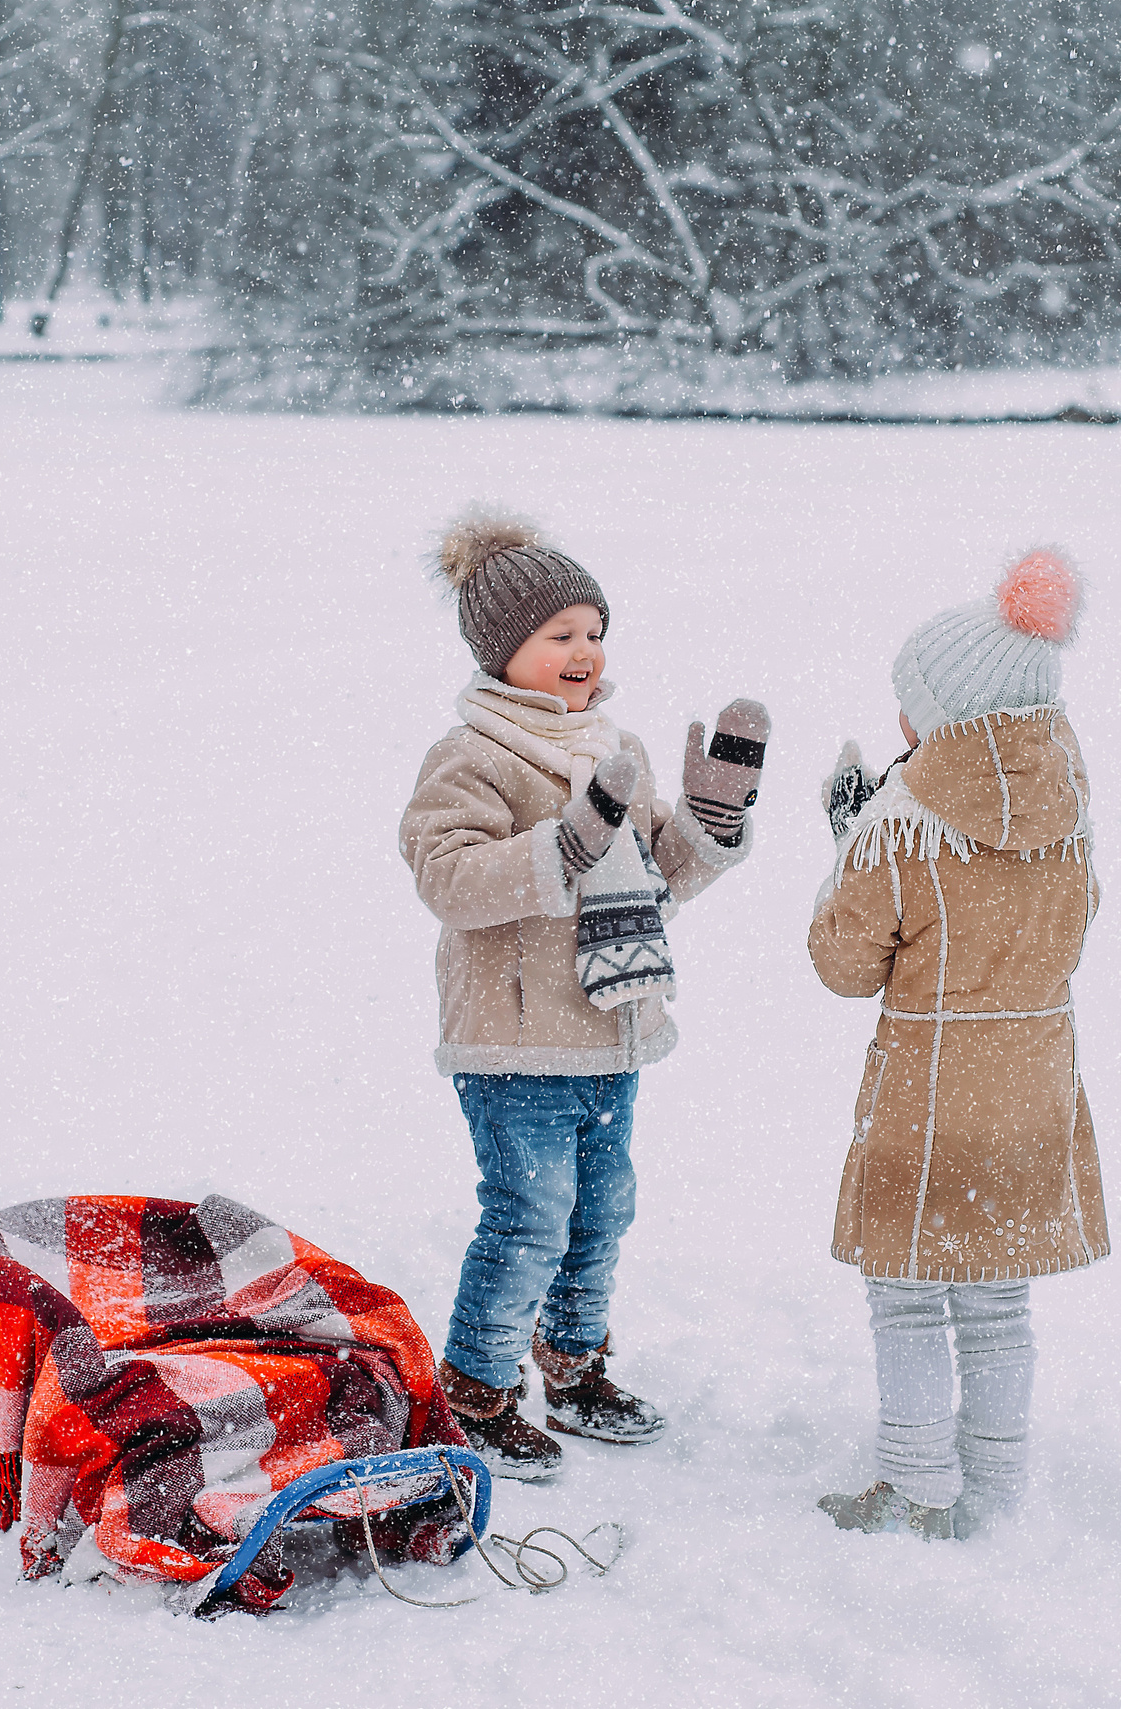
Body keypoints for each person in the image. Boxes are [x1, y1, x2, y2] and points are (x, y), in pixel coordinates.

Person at [399, 508, 768, 1479]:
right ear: (503, 648)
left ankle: (575, 1364)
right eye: (560, 634)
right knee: (528, 1214)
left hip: (610, 1031)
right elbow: (447, 876)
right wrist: (561, 844)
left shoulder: (615, 745)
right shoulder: (471, 755)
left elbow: (653, 878)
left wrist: (709, 820)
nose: (584, 652)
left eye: (595, 632)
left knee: (600, 1209)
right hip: (515, 1040)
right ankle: (474, 1392)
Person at [808, 548, 1107, 1539]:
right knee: (996, 1303)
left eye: (911, 703)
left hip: (927, 1099)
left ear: (947, 714)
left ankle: (914, 1485)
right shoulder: (1070, 816)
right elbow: (1073, 929)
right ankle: (996, 1485)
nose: (900, 722)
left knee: (906, 1298)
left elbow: (844, 963)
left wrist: (851, 842)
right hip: (1030, 1090)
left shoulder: (907, 824)